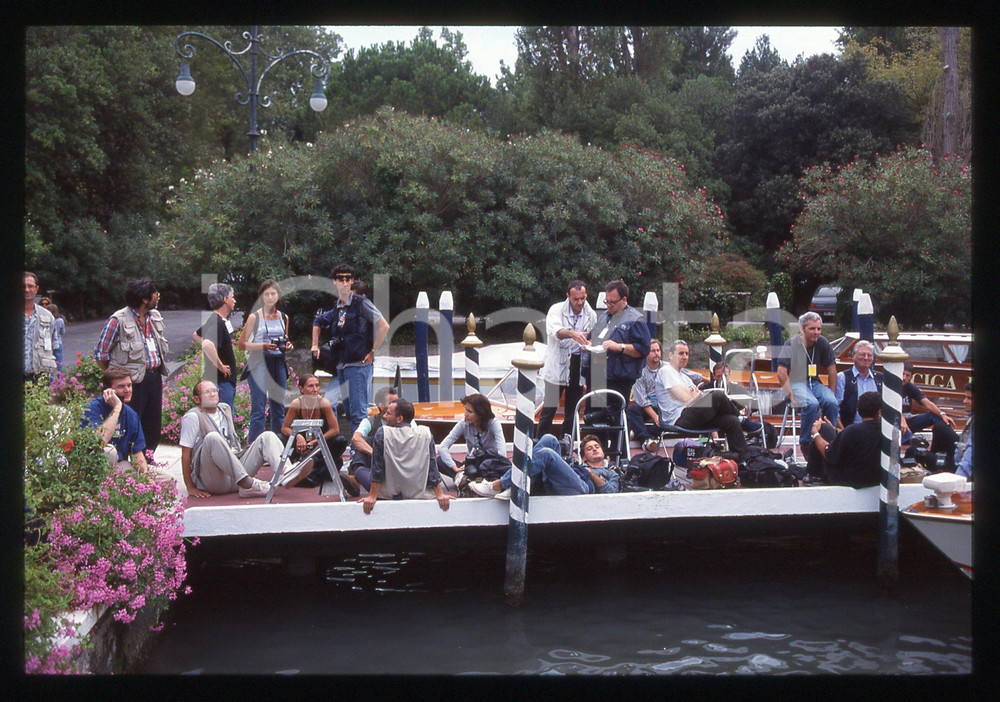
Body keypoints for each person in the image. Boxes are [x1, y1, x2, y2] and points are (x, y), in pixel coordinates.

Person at [311, 264, 390, 432]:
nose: (345, 283)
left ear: (352, 281)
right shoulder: (337, 307)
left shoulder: (362, 303)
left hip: (358, 365)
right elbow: (318, 321)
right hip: (341, 367)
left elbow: (383, 326)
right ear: (335, 282)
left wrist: (373, 351)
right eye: (341, 279)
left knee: (359, 413)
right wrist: (314, 344)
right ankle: (358, 450)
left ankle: (360, 453)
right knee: (348, 411)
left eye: (348, 279)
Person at [94, 277, 169, 454]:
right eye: (155, 294)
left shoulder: (154, 317)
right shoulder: (118, 320)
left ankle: (147, 461)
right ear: (145, 299)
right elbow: (100, 354)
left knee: (153, 425)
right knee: (129, 424)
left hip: (153, 377)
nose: (158, 297)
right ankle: (126, 463)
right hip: (131, 384)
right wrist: (116, 378)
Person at [179, 380, 284, 498]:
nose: (213, 394)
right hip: (213, 479)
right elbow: (185, 454)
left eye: (214, 390)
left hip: (235, 476)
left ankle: (287, 473)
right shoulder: (192, 417)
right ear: (197, 399)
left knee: (267, 436)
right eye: (207, 392)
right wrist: (190, 487)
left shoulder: (225, 409)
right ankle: (247, 484)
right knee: (212, 437)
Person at [653, 340, 749, 460]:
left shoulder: (684, 377)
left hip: (693, 414)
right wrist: (692, 394)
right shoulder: (666, 371)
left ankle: (743, 462)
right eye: (681, 353)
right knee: (717, 395)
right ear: (671, 355)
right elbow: (687, 399)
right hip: (678, 418)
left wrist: (693, 394)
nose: (684, 357)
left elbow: (696, 396)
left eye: (687, 354)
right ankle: (742, 419)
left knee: (731, 420)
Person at [362, 398, 450, 514]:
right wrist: (440, 494)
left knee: (360, 470)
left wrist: (372, 496)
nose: (384, 416)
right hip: (419, 493)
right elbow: (432, 467)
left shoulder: (383, 433)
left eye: (388, 414)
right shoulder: (425, 433)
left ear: (399, 419)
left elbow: (377, 469)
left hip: (388, 494)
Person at [469, 433, 620, 498]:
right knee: (549, 439)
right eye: (589, 448)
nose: (594, 449)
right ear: (584, 457)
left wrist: (592, 474)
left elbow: (610, 491)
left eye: (596, 446)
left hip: (583, 487)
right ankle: (516, 484)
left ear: (603, 450)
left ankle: (500, 484)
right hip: (566, 477)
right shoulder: (579, 464)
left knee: (546, 454)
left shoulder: (612, 472)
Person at [537, 280, 597, 439]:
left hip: (578, 363)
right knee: (549, 409)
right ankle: (540, 442)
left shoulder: (591, 314)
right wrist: (573, 334)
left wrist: (589, 343)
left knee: (572, 410)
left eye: (583, 298)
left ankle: (566, 444)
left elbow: (593, 336)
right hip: (557, 363)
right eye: (576, 299)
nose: (580, 302)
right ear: (568, 297)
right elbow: (555, 331)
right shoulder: (556, 310)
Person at [775, 311, 839, 457]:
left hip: (814, 382)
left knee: (832, 402)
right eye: (812, 329)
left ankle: (832, 439)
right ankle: (806, 442)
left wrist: (832, 392)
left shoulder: (822, 343)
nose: (816, 332)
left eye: (819, 329)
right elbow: (781, 372)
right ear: (802, 329)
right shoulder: (791, 344)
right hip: (796, 382)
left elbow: (832, 371)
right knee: (811, 404)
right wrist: (790, 395)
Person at [238, 279, 294, 442]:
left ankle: (277, 445)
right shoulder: (254, 317)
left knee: (278, 407)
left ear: (278, 296)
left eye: (273, 294)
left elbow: (285, 339)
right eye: (267, 294)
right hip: (259, 362)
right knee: (259, 408)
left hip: (278, 362)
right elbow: (242, 344)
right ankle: (253, 447)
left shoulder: (284, 317)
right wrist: (263, 346)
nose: (270, 297)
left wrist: (288, 345)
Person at [588, 279, 650, 418]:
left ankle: (618, 440)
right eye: (607, 302)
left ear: (624, 300)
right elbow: (594, 337)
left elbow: (643, 349)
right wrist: (587, 344)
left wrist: (619, 347)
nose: (609, 305)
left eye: (612, 302)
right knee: (594, 418)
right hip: (598, 376)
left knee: (615, 420)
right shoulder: (604, 316)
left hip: (619, 379)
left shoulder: (635, 320)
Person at [279, 374, 351, 489]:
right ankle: (295, 469)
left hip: (320, 447)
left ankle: (308, 472)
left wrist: (315, 442)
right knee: (280, 438)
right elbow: (285, 428)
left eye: (317, 386)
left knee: (340, 441)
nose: (315, 389)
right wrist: (298, 436)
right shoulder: (296, 404)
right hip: (301, 447)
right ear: (301, 389)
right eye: (311, 386)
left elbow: (335, 430)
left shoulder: (324, 403)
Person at [806, 391, 882, 488]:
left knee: (823, 430)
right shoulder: (886, 431)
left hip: (848, 480)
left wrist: (815, 433)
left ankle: (813, 474)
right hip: (875, 479)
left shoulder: (852, 430)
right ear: (879, 412)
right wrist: (835, 430)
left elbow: (828, 454)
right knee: (827, 429)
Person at [82, 368, 148, 474]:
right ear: (108, 390)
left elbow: (136, 451)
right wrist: (117, 408)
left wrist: (145, 475)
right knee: (109, 451)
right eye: (121, 386)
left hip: (122, 465)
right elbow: (100, 442)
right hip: (94, 465)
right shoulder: (91, 409)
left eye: (129, 385)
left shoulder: (131, 414)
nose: (127, 390)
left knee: (168, 478)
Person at [193, 283, 239, 415]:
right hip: (221, 383)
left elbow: (196, 335)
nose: (234, 300)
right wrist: (220, 365)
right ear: (225, 300)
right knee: (224, 419)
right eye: (232, 297)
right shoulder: (217, 322)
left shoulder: (213, 320)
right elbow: (207, 344)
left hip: (216, 381)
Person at [437, 393, 508, 480]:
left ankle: (464, 478)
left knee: (500, 468)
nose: (465, 414)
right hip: (470, 464)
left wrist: (486, 463)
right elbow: (442, 447)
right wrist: (455, 467)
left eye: (470, 412)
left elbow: (502, 454)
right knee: (440, 461)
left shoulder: (493, 424)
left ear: (481, 414)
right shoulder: (463, 424)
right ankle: (462, 476)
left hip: (490, 464)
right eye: (465, 410)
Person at [348, 385, 399, 492]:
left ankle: (360, 479)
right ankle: (357, 477)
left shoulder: (406, 418)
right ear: (381, 406)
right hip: (377, 462)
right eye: (392, 403)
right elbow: (356, 438)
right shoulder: (369, 421)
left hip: (398, 460)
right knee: (364, 440)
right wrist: (376, 454)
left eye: (397, 402)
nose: (397, 406)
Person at [900, 361, 958, 441]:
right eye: (902, 374)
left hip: (909, 420)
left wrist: (942, 414)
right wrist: (902, 420)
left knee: (935, 416)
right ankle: (910, 440)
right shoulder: (890, 386)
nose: (904, 378)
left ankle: (953, 439)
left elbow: (928, 404)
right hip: (895, 421)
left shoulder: (911, 387)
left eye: (907, 375)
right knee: (908, 437)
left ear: (911, 377)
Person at [625, 339, 664, 452]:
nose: (656, 353)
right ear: (646, 353)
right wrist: (655, 417)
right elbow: (642, 400)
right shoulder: (639, 371)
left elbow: (687, 374)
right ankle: (647, 439)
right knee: (631, 409)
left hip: (663, 405)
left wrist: (709, 379)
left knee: (670, 414)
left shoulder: (667, 368)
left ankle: (644, 437)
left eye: (658, 350)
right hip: (646, 406)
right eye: (653, 351)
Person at [834, 340, 883, 428]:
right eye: (862, 354)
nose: (866, 358)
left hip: (877, 430)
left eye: (869, 355)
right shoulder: (842, 377)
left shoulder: (880, 378)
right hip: (850, 429)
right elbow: (835, 408)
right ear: (853, 356)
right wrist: (843, 432)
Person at [930, 381, 973, 478]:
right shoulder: (972, 417)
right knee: (940, 427)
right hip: (959, 453)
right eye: (965, 397)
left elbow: (969, 458)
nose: (964, 401)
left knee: (918, 454)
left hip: (963, 467)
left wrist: (957, 480)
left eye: (969, 398)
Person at [23, 271, 57, 382]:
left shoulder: (48, 316)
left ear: (36, 289)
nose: (27, 289)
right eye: (23, 286)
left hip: (39, 379)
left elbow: (53, 346)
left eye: (30, 286)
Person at [47, 303, 66, 371]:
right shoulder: (60, 320)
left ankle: (50, 379)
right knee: (59, 362)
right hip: (58, 342)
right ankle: (60, 378)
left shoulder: (47, 320)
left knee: (50, 363)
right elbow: (63, 332)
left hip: (49, 344)